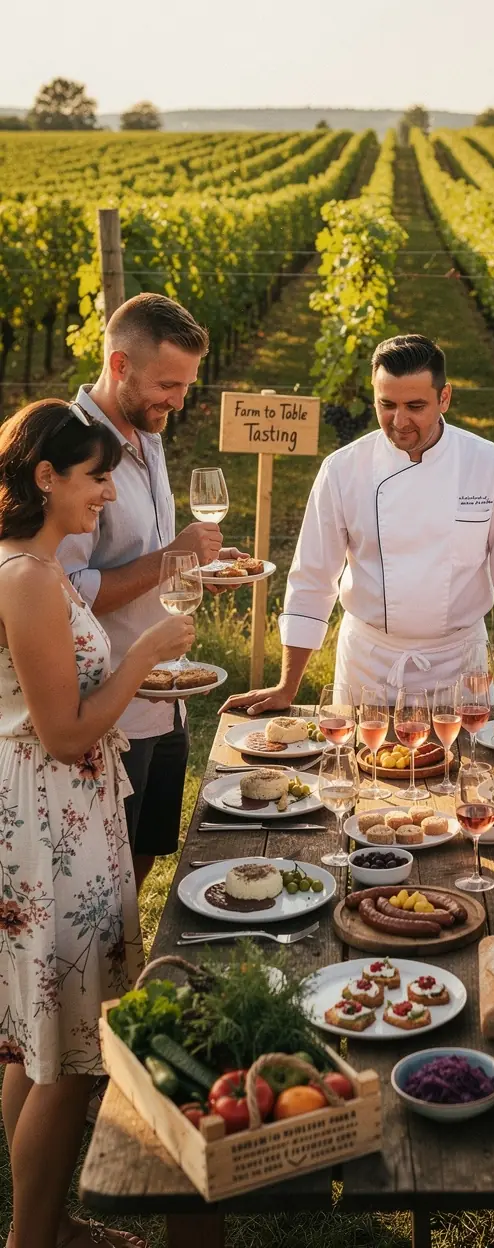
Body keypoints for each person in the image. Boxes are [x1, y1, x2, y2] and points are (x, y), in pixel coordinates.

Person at [0, 399, 193, 1248]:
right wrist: (144, 659)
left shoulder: (22, 566)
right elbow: (67, 729)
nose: (107, 495)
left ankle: (41, 1219)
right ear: (46, 478)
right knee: (70, 1056)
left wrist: (126, 679)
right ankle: (36, 1236)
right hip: (54, 823)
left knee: (30, 1042)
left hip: (54, 809)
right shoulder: (31, 581)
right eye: (95, 477)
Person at [221, 334, 494, 719]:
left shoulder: (489, 464)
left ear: (444, 398)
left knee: (466, 774)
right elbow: (313, 578)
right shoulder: (343, 469)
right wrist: (287, 687)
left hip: (459, 666)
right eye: (387, 405)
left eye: (416, 406)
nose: (399, 421)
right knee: (355, 774)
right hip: (369, 664)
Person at [59, 293, 244, 893]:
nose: (178, 401)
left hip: (167, 693)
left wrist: (200, 564)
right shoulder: (69, 451)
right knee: (99, 877)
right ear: (119, 366)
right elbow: (61, 596)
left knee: (144, 857)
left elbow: (152, 559)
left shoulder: (146, 432)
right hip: (107, 707)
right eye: (168, 384)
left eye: (186, 386)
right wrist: (173, 557)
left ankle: (125, 979)